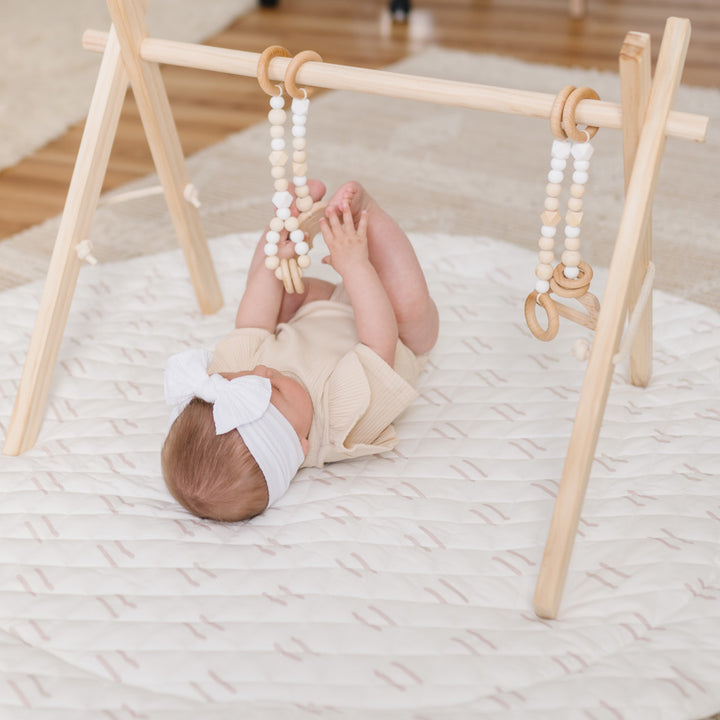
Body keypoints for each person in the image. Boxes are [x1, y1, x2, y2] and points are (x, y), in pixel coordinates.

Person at [161, 181, 439, 521]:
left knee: (270, 297)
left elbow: (252, 322)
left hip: (320, 309)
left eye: (241, 379)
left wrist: (275, 263)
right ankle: (367, 214)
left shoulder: (229, 381)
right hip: (393, 332)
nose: (261, 371)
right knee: (411, 307)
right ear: (300, 445)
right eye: (275, 389)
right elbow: (378, 342)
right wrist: (355, 267)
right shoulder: (340, 421)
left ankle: (283, 231)